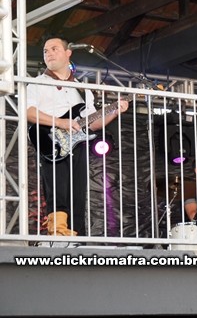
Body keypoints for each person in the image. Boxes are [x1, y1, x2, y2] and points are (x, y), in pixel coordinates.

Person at [27, 37, 129, 239]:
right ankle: (58, 234)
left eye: (54, 49)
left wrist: (115, 111)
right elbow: (28, 112)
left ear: (68, 53)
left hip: (77, 144)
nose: (48, 53)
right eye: (45, 51)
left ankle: (76, 236)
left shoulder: (82, 89)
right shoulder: (37, 83)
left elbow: (92, 123)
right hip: (51, 140)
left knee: (78, 192)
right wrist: (60, 122)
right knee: (57, 188)